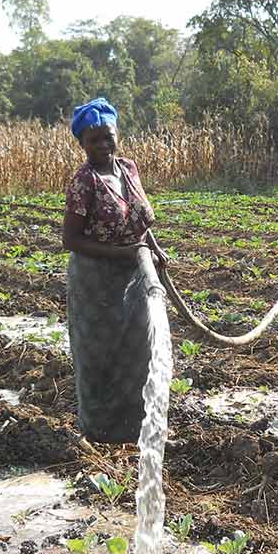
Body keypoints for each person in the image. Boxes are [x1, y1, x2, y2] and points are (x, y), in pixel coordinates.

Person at [62, 97, 169, 444]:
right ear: (82, 144)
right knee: (99, 358)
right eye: (94, 140)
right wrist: (121, 252)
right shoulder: (84, 181)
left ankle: (139, 429)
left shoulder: (128, 169)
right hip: (95, 281)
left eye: (108, 136)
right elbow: (71, 239)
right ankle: (98, 434)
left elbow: (138, 218)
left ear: (117, 134)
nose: (103, 145)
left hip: (133, 273)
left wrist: (153, 247)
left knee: (139, 351)